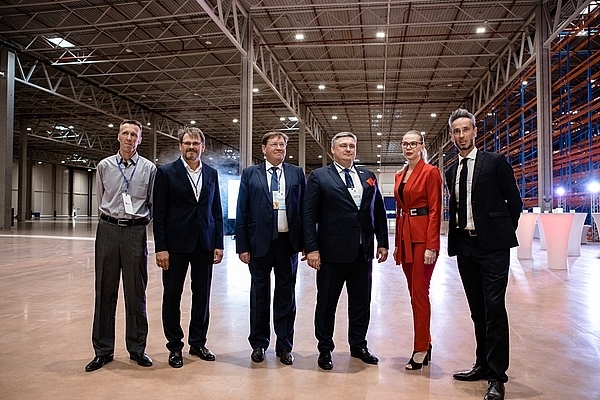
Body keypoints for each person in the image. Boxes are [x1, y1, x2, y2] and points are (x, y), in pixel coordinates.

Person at [445, 109, 522, 400]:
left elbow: (514, 202)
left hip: (493, 249)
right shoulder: (451, 171)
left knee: (494, 309)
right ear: (452, 135)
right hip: (465, 247)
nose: (461, 135)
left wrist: (500, 233)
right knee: (477, 310)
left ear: (475, 131)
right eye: (456, 131)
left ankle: (497, 376)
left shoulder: (495, 162)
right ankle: (482, 364)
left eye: (466, 129)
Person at [303, 131, 389, 371]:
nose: (348, 149)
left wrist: (382, 241)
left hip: (363, 252)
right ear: (333, 149)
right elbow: (308, 215)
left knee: (361, 302)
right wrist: (312, 248)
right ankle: (325, 348)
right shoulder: (319, 176)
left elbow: (378, 211)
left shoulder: (368, 176)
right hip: (331, 253)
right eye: (343, 146)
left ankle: (359, 345)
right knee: (327, 303)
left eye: (352, 145)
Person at [86, 119, 156, 372]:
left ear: (140, 140)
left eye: (134, 134)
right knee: (104, 290)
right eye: (125, 133)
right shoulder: (104, 166)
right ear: (118, 136)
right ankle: (102, 350)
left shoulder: (149, 169)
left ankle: (137, 348)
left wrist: (139, 222)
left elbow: (151, 202)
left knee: (136, 291)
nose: (129, 138)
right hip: (107, 229)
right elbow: (101, 197)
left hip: (135, 231)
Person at [152, 126, 224, 368]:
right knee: (172, 296)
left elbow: (216, 210)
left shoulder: (211, 174)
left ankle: (198, 342)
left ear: (203, 146)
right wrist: (161, 247)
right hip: (175, 245)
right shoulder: (166, 173)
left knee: (202, 296)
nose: (191, 147)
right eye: (187, 143)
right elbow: (159, 214)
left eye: (196, 143)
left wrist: (218, 243)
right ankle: (175, 346)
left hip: (204, 243)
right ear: (180, 146)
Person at [235, 132, 306, 365]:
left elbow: (305, 209)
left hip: (288, 244)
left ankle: (284, 346)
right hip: (259, 244)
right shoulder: (250, 174)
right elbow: (242, 210)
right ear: (263, 148)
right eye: (274, 144)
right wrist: (242, 246)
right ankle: (259, 344)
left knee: (286, 296)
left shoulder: (296, 173)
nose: (279, 148)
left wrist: (307, 244)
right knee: (259, 295)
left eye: (282, 144)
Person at [393, 130, 442, 370]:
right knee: (414, 293)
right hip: (405, 238)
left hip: (423, 240)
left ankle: (421, 348)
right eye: (405, 144)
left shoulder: (430, 172)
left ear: (422, 146)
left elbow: (435, 209)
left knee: (420, 294)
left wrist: (432, 245)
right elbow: (401, 211)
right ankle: (426, 342)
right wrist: (397, 244)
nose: (409, 147)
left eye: (413, 143)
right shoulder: (400, 174)